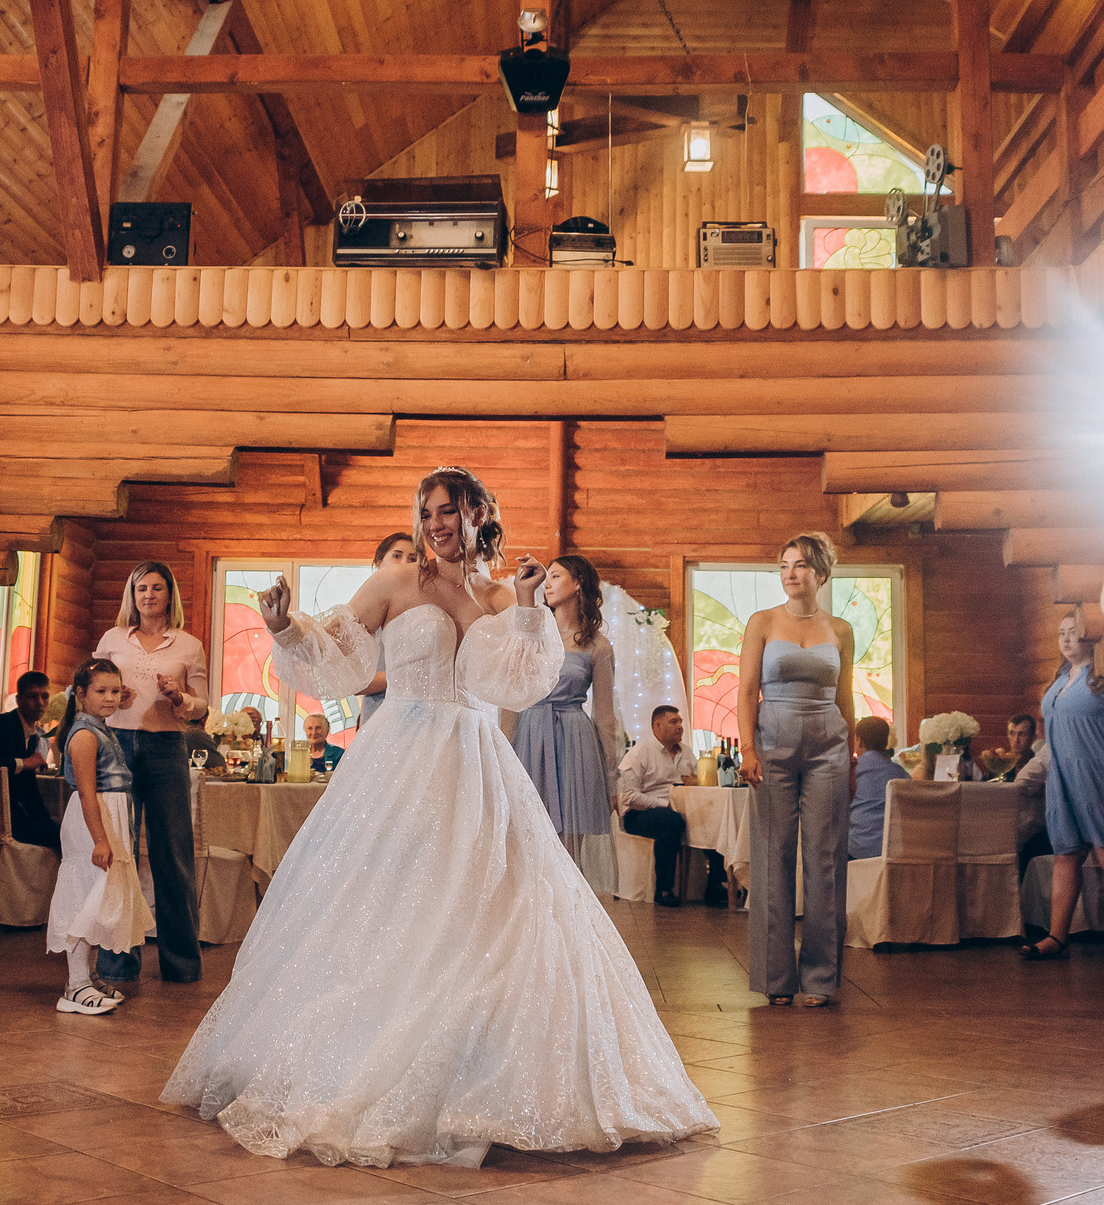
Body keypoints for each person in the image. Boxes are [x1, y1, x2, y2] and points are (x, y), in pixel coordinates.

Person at [161, 466, 715, 1165]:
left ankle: (483, 1065)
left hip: (480, 758)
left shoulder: (498, 591)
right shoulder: (397, 581)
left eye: (449, 509)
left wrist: (521, 607)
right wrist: (281, 625)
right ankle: (369, 1060)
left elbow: (522, 680)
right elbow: (337, 647)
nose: (436, 522)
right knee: (393, 904)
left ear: (480, 511)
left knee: (505, 907)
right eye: (427, 511)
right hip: (402, 756)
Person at [739, 531, 857, 1007]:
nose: (790, 573)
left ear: (821, 574)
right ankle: (775, 978)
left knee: (825, 859)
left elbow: (846, 696)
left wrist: (851, 759)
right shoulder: (762, 621)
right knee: (772, 856)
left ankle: (820, 978)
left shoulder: (841, 629)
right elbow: (747, 690)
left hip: (829, 746)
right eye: (785, 565)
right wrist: (748, 748)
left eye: (801, 565)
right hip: (772, 745)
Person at [96, 562, 210, 984]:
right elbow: (90, 692)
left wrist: (179, 696)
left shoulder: (189, 645)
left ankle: (181, 965)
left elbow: (202, 706)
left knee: (173, 857)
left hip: (166, 748)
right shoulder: (112, 639)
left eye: (157, 588)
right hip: (116, 749)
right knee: (121, 856)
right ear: (132, 595)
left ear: (169, 595)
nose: (148, 595)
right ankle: (117, 963)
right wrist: (113, 695)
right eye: (141, 588)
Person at [47, 659, 150, 1017]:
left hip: (112, 819)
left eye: (115, 691)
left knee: (100, 899)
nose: (109, 698)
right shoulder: (85, 735)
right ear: (80, 694)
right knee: (85, 900)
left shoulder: (100, 728)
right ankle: (74, 986)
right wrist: (101, 840)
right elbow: (88, 793)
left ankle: (85, 976)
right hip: (94, 822)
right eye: (100, 691)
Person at [513, 554, 620, 886]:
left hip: (575, 742)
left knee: (569, 850)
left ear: (578, 584)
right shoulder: (531, 634)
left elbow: (605, 717)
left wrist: (612, 776)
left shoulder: (598, 646)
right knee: (527, 841)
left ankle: (569, 927)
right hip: (529, 736)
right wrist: (504, 750)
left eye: (556, 576)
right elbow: (511, 698)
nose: (547, 583)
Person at [1020, 612, 1104, 962]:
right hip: (1061, 776)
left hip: (1094, 773)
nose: (1066, 639)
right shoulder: (1061, 676)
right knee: (1065, 853)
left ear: (1089, 636)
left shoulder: (1102, 677)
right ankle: (1057, 936)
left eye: (1074, 633)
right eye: (1061, 633)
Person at [613, 703, 727, 906]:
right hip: (641, 814)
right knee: (671, 822)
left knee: (716, 818)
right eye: (673, 722)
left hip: (682, 810)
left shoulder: (687, 753)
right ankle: (664, 889)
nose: (680, 726)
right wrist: (665, 804)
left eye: (680, 721)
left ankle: (714, 886)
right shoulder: (640, 754)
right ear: (657, 726)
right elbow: (628, 797)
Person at [0, 671, 61, 849]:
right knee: (60, 838)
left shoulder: (32, 737)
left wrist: (48, 824)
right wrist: (24, 763)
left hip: (15, 812)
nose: (40, 702)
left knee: (63, 835)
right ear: (18, 700)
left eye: (44, 696)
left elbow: (29, 792)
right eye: (33, 696)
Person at [352, 531, 416, 735]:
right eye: (397, 556)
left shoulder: (422, 615)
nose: (404, 563)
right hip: (377, 725)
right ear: (379, 563)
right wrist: (402, 676)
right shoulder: (366, 616)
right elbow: (355, 681)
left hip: (419, 725)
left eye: (413, 559)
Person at [846, 715, 898, 862]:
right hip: (890, 850)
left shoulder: (852, 770)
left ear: (859, 740)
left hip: (857, 848)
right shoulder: (900, 772)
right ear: (886, 741)